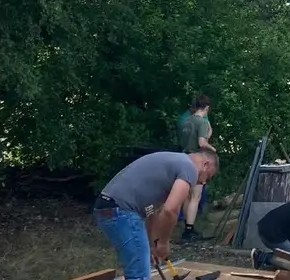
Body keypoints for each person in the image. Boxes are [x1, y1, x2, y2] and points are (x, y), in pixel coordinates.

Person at [92, 150, 220, 280]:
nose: (203, 183)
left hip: (108, 209)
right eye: (208, 177)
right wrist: (164, 242)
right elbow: (170, 210)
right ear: (205, 165)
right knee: (139, 275)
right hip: (122, 211)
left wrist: (152, 244)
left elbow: (151, 211)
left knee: (137, 269)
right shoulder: (189, 167)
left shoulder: (172, 164)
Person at [175, 94, 215, 242]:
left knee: (187, 196)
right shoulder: (201, 122)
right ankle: (189, 230)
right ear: (207, 107)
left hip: (184, 158)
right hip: (196, 162)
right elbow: (202, 142)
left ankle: (187, 226)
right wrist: (213, 150)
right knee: (195, 197)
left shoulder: (186, 121)